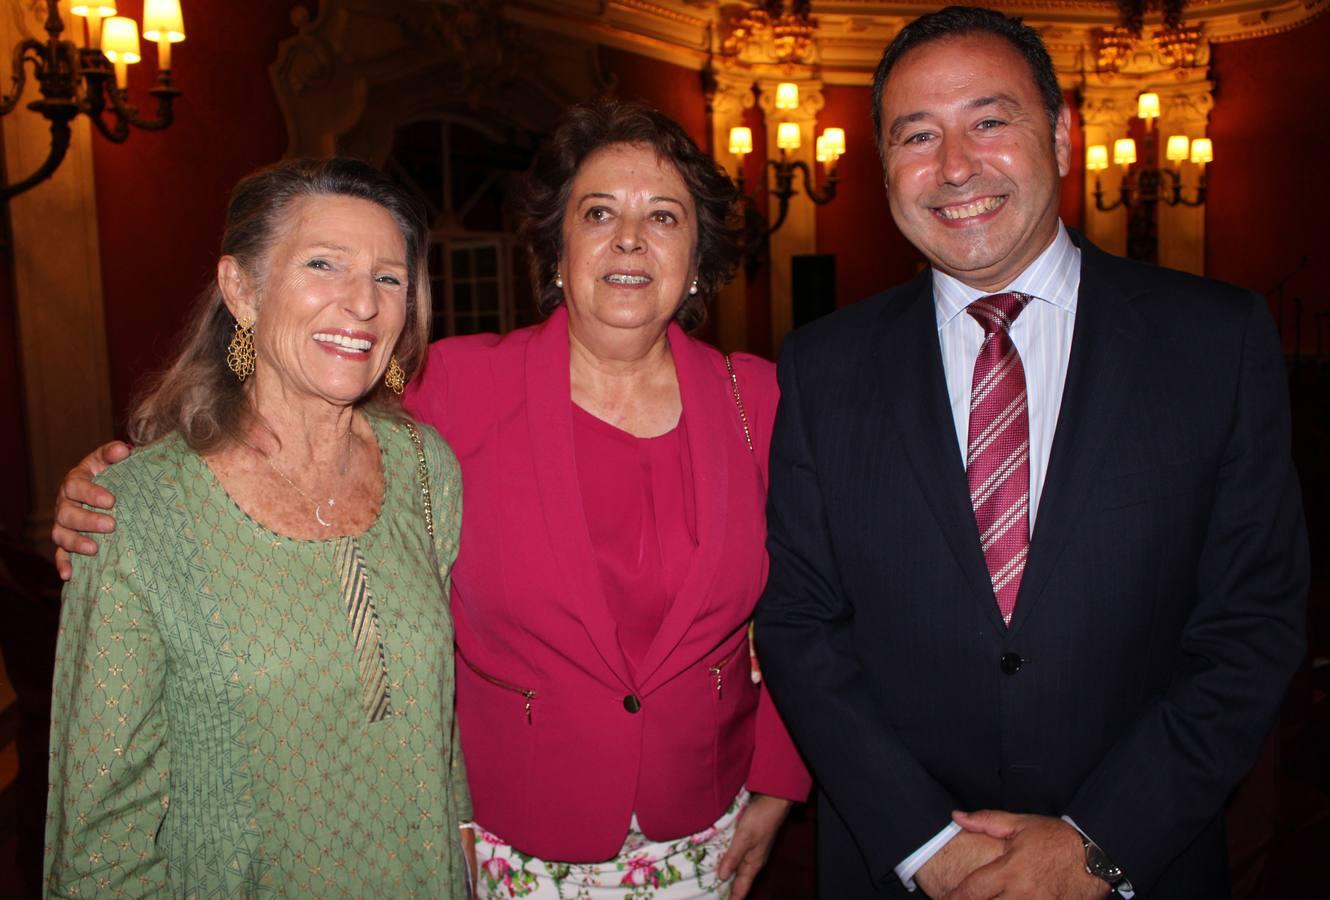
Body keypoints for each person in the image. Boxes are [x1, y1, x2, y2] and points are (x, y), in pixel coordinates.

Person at [52, 101, 810, 899]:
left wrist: (779, 784)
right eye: (598, 213)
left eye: (663, 215)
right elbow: (296, 414)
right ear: (556, 251)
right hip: (508, 837)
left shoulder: (759, 399)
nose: (629, 239)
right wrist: (117, 485)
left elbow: (816, 599)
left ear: (698, 257)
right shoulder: (454, 385)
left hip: (702, 826)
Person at [755, 6, 1307, 899]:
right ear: (883, 167)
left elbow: (1253, 622)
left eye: (988, 121)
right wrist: (922, 840)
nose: (955, 166)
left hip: (1141, 863)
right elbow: (799, 622)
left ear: (1058, 133)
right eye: (917, 136)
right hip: (897, 868)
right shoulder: (822, 365)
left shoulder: (1215, 341)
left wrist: (1100, 843)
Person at [44, 159, 473, 896]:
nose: (362, 304)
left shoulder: (425, 468)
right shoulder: (136, 511)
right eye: (323, 265)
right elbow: (99, 838)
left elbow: (437, 721)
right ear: (241, 289)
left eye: (389, 278)